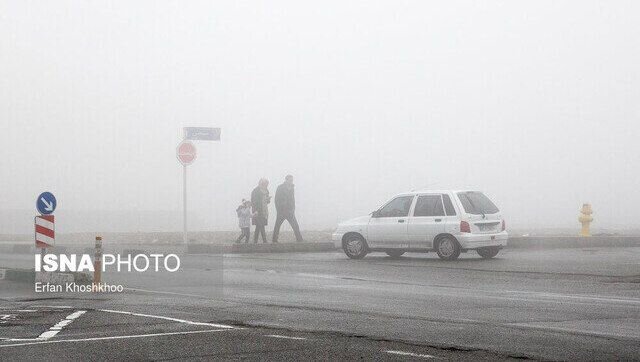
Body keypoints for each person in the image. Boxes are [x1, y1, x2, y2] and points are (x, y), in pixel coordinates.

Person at [272, 174, 303, 243]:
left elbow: (292, 199)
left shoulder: (292, 188)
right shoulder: (280, 187)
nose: (291, 181)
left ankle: (300, 240)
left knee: (295, 226)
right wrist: (279, 210)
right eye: (290, 180)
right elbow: (276, 200)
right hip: (281, 211)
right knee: (277, 226)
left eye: (292, 180)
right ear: (286, 180)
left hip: (290, 211)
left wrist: (293, 209)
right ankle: (274, 240)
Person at [251, 178, 270, 243]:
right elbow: (253, 201)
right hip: (258, 211)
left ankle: (256, 241)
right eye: (265, 184)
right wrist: (255, 210)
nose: (266, 185)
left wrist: (268, 199)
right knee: (260, 225)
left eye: (267, 184)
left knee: (259, 226)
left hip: (264, 210)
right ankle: (264, 241)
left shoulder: (266, 191)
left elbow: (267, 202)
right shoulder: (255, 191)